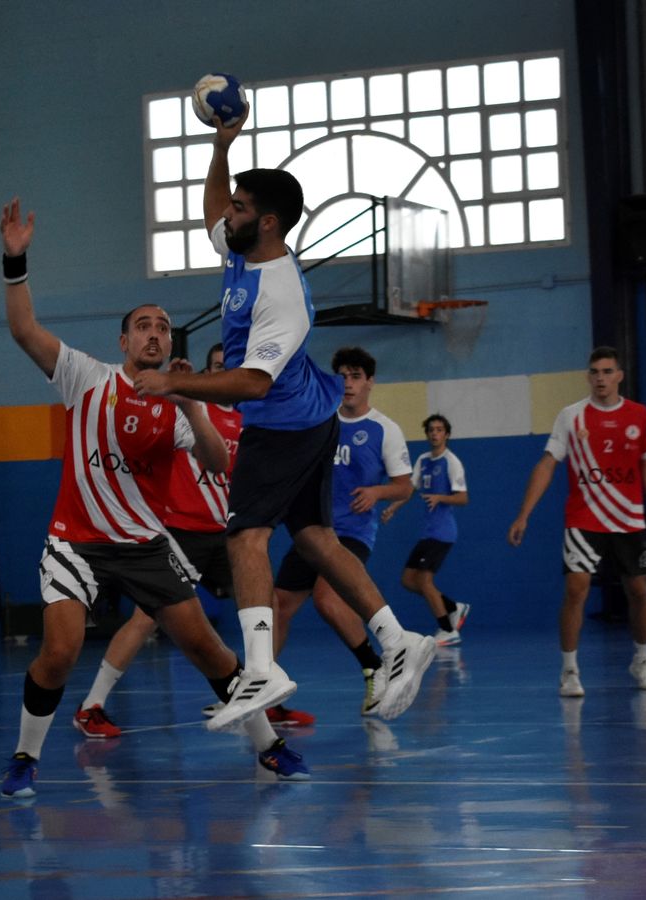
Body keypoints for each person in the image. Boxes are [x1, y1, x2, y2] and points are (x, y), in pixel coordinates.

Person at [132, 111, 436, 732]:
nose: (228, 214)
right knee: (316, 537)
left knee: (245, 536)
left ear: (267, 222)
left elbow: (252, 383)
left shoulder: (282, 294)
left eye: (240, 207)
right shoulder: (242, 246)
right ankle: (398, 638)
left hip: (285, 422)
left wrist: (173, 383)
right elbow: (212, 207)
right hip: (308, 415)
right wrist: (221, 147)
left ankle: (261, 668)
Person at [0, 199, 308, 798]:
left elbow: (218, 464)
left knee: (208, 648)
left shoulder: (178, 401)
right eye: (144, 325)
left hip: (145, 545)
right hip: (77, 541)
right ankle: (24, 757)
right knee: (59, 651)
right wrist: (15, 261)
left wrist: (191, 403)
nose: (155, 333)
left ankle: (269, 747)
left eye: (163, 327)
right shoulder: (86, 377)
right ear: (124, 340)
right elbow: (23, 330)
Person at [73, 343, 315, 738]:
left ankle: (259, 693)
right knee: (145, 618)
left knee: (266, 605)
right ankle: (92, 704)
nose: (221, 373)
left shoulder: (247, 420)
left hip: (226, 533)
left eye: (227, 368)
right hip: (182, 531)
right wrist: (175, 381)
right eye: (215, 367)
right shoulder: (189, 408)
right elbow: (156, 398)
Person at [506, 346, 646, 697]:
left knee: (639, 591)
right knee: (576, 587)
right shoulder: (571, 416)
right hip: (584, 519)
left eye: (608, 371)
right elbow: (548, 464)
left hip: (629, 519)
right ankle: (569, 670)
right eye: (595, 372)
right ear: (588, 376)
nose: (601, 378)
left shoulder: (639, 415)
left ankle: (641, 661)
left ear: (619, 376)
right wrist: (524, 514)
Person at [269, 347, 413, 716]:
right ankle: (262, 685)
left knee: (328, 599)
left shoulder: (384, 429)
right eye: (343, 376)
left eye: (356, 376)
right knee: (278, 606)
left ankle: (373, 665)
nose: (348, 383)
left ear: (370, 382)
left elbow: (404, 486)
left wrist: (377, 492)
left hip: (352, 532)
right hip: (312, 529)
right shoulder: (320, 420)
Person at [381, 413, 471, 645]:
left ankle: (448, 630)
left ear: (446, 434)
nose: (434, 434)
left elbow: (463, 498)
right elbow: (409, 490)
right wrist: (393, 508)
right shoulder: (423, 460)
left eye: (439, 430)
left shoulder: (451, 462)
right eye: (431, 430)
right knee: (408, 580)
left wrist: (440, 497)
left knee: (424, 580)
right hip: (428, 532)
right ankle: (453, 607)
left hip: (443, 532)